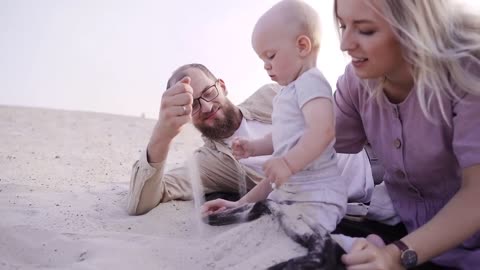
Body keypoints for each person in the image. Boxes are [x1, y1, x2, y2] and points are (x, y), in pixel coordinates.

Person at [334, 0, 480, 269]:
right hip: (411, 236)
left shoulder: (469, 69)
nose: (344, 44)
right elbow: (308, 149)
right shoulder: (356, 81)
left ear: (413, 27)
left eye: (365, 30)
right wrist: (251, 202)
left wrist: (395, 255)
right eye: (343, 26)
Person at [202, 0, 347, 236]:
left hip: (318, 195)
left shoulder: (311, 82)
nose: (266, 67)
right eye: (262, 61)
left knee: (305, 237)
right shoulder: (287, 93)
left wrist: (288, 163)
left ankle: (355, 246)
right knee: (271, 225)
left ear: (302, 46)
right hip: (291, 193)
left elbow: (323, 131)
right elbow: (282, 139)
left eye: (270, 56)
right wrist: (254, 147)